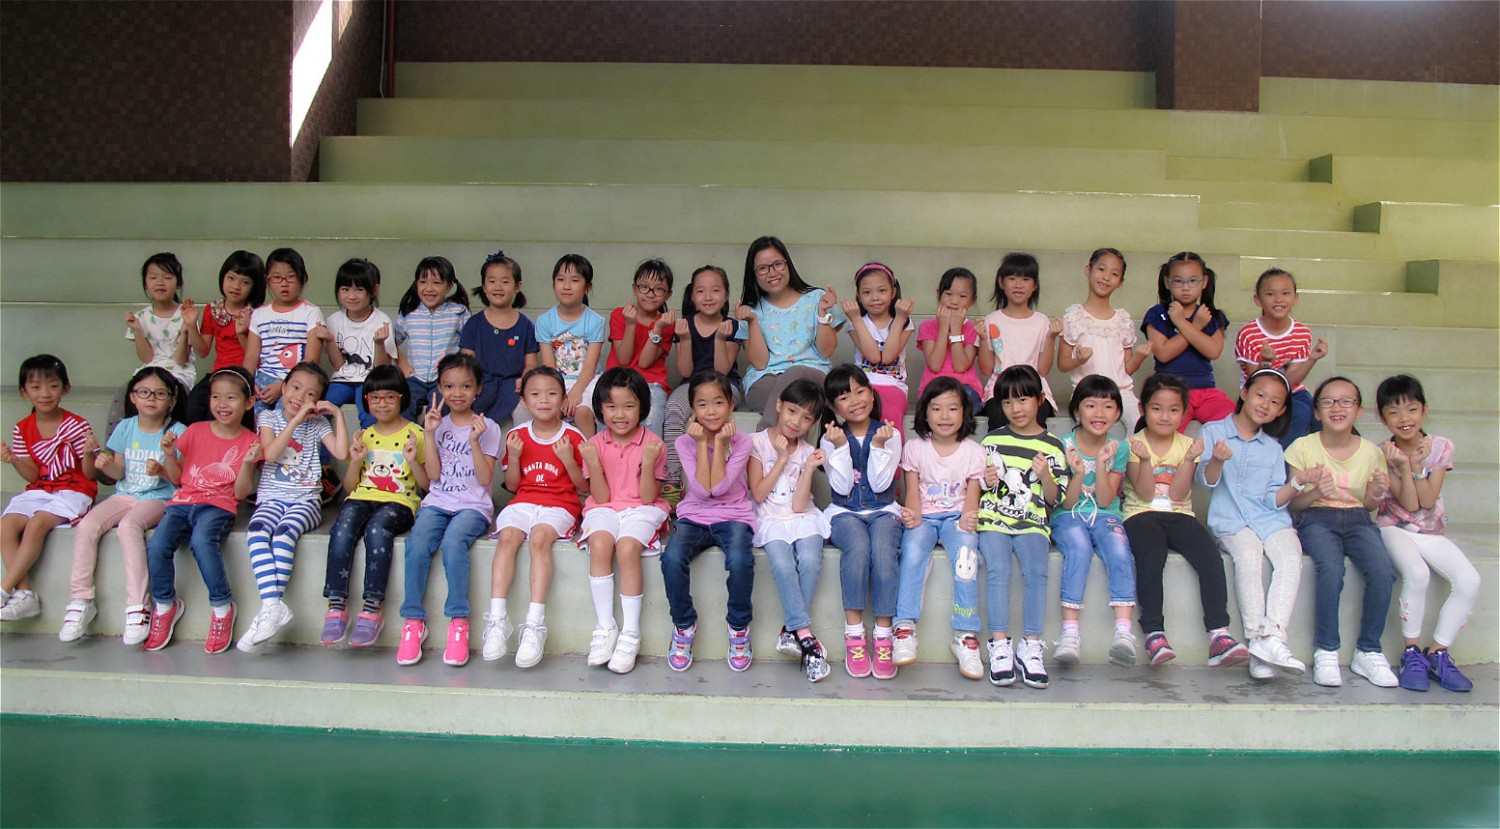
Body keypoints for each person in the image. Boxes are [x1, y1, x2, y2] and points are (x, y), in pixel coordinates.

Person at [1122, 373, 1247, 668]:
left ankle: (1219, 634)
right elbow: (1145, 493)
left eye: (1174, 409)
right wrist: (1145, 460)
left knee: (1210, 558)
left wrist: (1191, 459)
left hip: (1179, 514)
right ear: (1142, 408)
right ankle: (1154, 633)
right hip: (1140, 515)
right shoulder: (1132, 444)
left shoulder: (1187, 444)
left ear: (1184, 411)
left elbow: (1178, 495)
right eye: (1157, 408)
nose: (1165, 416)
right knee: (1151, 559)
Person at [1196, 368, 1314, 680]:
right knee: (1248, 557)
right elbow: (1206, 482)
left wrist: (1298, 482)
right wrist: (1217, 460)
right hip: (1231, 521)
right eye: (1260, 395)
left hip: (1270, 519)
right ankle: (1256, 638)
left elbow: (1275, 499)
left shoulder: (1273, 448)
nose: (1265, 404)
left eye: (1275, 402)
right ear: (1245, 392)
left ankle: (1272, 637)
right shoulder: (1213, 431)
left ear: (1281, 410)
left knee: (1290, 558)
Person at [1286, 377, 1398, 688]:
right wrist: (1315, 492)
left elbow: (1370, 504)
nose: (1337, 407)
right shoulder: (1302, 447)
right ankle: (1326, 649)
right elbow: (1294, 505)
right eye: (1328, 401)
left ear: (1359, 411)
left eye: (1346, 401)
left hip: (1359, 518)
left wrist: (1376, 493)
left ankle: (1368, 651)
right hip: (1315, 518)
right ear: (1316, 412)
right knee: (1331, 569)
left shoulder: (1371, 453)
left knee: (1383, 571)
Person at [61, 367, 186, 644]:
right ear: (133, 397)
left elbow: (181, 479)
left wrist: (162, 470)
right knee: (88, 525)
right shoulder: (125, 427)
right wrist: (105, 464)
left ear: (172, 400)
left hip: (159, 497)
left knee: (129, 527)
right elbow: (119, 473)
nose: (151, 398)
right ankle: (81, 600)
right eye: (144, 392)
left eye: (160, 393)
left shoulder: (178, 432)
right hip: (125, 494)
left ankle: (138, 605)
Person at [141, 367, 261, 653]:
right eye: (216, 397)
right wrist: (168, 455)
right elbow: (178, 478)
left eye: (231, 397)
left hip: (218, 506)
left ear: (248, 403)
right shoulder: (194, 431)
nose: (222, 404)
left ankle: (222, 607)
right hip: (182, 503)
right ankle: (165, 605)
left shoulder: (251, 441)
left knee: (202, 541)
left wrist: (247, 463)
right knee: (157, 544)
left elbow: (240, 493)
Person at [1374, 374, 1479, 692]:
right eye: (1393, 412)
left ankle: (1438, 653)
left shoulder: (1442, 446)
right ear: (1381, 417)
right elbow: (1409, 502)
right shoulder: (1381, 453)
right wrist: (1406, 467)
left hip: (1432, 532)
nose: (1404, 418)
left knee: (1469, 580)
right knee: (1417, 574)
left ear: (1424, 410)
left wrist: (1418, 467)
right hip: (1394, 528)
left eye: (1411, 409)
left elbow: (1428, 500)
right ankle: (1411, 652)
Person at [396, 354, 502, 667]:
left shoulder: (489, 427)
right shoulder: (435, 425)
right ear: (440, 388)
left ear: (478, 388)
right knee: (417, 544)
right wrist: (428, 434)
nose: (458, 393)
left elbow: (485, 479)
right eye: (449, 386)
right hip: (438, 502)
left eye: (466, 386)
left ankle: (459, 621)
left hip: (473, 506)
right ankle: (413, 621)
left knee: (454, 542)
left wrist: (474, 441)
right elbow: (432, 479)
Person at [238, 362, 349, 653]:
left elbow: (341, 452)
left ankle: (270, 610)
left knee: (284, 535)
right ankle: (273, 605)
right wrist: (295, 421)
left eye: (310, 394)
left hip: (306, 500)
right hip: (270, 498)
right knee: (257, 532)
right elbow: (270, 454)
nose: (300, 396)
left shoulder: (319, 424)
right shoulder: (268, 417)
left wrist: (338, 414)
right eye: (295, 388)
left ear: (318, 400)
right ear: (283, 387)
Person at [485, 367, 587, 669]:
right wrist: (515, 457)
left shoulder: (573, 436)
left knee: (540, 538)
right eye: (535, 394)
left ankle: (535, 624)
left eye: (552, 393)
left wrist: (568, 459)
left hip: (560, 504)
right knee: (508, 537)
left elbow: (584, 487)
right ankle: (497, 619)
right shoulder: (516, 435)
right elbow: (512, 485)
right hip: (524, 501)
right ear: (524, 401)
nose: (544, 400)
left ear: (563, 399)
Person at [320, 365, 428, 648]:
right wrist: (355, 460)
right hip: (362, 496)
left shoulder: (416, 434)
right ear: (366, 400)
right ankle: (336, 605)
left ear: (402, 398)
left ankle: (372, 608)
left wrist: (413, 460)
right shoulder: (365, 435)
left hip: (400, 501)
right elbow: (350, 485)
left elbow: (426, 484)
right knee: (342, 527)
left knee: (377, 530)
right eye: (375, 397)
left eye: (390, 397)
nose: (382, 403)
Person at [660, 371, 756, 672]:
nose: (711, 411)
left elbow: (719, 488)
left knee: (740, 560)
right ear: (692, 410)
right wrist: (702, 444)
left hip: (734, 515)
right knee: (672, 557)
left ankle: (738, 628)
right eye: (702, 404)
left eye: (718, 402)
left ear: (731, 405)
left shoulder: (742, 442)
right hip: (695, 515)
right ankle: (684, 624)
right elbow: (702, 491)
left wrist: (720, 443)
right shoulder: (685, 442)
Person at [576, 367, 670, 674]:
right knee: (601, 543)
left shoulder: (653, 443)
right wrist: (592, 462)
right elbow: (601, 497)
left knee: (627, 547)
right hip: (605, 505)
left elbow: (647, 497)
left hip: (641, 508)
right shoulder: (595, 443)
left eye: (629, 406)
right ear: (600, 409)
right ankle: (605, 627)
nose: (620, 415)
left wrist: (648, 461)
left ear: (643, 407)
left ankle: (630, 632)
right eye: (611, 406)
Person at [976, 365, 1066, 688]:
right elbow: (981, 486)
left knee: (1037, 572)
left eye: (1023, 400)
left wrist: (1045, 476)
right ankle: (1000, 644)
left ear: (1040, 400)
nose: (1016, 408)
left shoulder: (1053, 445)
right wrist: (986, 481)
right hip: (994, 520)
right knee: (998, 569)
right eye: (1007, 402)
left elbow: (1055, 498)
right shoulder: (992, 440)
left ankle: (1031, 645)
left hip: (1032, 523)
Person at [891, 377, 986, 679]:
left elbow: (972, 496)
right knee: (912, 550)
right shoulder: (915, 448)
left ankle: (965, 634)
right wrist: (912, 516)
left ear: (965, 412)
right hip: (926, 517)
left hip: (956, 516)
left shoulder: (974, 451)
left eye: (953, 408)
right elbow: (912, 492)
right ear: (925, 413)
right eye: (936, 408)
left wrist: (969, 518)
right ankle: (904, 627)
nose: (945, 416)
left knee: (966, 555)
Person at [0, 355, 99, 623]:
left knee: (37, 523)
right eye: (35, 387)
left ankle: (4, 589)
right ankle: (25, 594)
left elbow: (90, 474)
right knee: (5, 525)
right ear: (24, 391)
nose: (45, 394)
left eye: (53, 386)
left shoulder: (77, 425)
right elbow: (32, 474)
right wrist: (14, 460)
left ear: (65, 388)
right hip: (41, 488)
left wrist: (89, 454)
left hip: (75, 489)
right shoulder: (21, 429)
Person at [821, 365, 903, 680]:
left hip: (883, 509)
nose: (855, 401)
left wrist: (879, 447)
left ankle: (883, 634)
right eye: (844, 397)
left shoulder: (890, 434)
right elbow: (842, 488)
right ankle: (854, 632)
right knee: (857, 547)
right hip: (844, 511)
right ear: (833, 407)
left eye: (860, 391)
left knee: (883, 549)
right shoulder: (830, 438)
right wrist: (840, 448)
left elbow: (881, 485)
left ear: (871, 392)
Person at [1050, 374, 1138, 667]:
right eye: (1090, 405)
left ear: (1118, 412)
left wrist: (1101, 464)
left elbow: (1105, 500)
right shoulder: (1062, 446)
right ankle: (1070, 633)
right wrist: (1078, 473)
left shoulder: (1119, 448)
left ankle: (1123, 632)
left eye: (1108, 406)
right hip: (1068, 515)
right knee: (1078, 548)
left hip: (1105, 514)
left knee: (1118, 548)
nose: (1099, 413)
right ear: (1077, 410)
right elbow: (1067, 502)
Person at [750, 379, 832, 683]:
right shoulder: (757, 443)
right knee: (784, 564)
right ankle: (805, 634)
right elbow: (759, 493)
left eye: (806, 418)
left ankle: (791, 631)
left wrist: (808, 467)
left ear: (813, 423)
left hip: (802, 516)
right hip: (770, 517)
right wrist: (782, 458)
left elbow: (799, 506)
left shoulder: (808, 450)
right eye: (792, 411)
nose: (796, 421)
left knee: (810, 559)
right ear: (779, 405)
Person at [737, 236, 846, 430]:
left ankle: (765, 434)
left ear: (787, 264)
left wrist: (822, 313)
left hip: (812, 375)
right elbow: (760, 363)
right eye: (762, 268)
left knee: (795, 375)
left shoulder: (817, 298)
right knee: (798, 400)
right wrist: (752, 322)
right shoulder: (749, 310)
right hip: (766, 381)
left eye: (777, 264)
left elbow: (827, 351)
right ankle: (794, 447)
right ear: (753, 273)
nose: (772, 273)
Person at [663, 265, 745, 500]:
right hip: (692, 385)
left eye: (715, 290)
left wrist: (720, 338)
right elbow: (685, 370)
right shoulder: (684, 324)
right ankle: (672, 481)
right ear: (692, 296)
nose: (708, 297)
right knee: (674, 408)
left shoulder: (733, 326)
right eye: (700, 291)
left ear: (726, 294)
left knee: (714, 402)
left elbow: (722, 371)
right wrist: (685, 338)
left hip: (725, 385)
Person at [1057, 248, 1151, 431]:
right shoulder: (1074, 317)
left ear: (1120, 282)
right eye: (1101, 269)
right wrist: (1079, 360)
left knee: (1140, 424)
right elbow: (1062, 364)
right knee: (1087, 431)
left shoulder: (1123, 320)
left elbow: (1127, 369)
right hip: (1087, 392)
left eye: (1114, 274)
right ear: (1088, 270)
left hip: (1121, 393)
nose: (1106, 277)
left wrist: (1139, 357)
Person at [1234, 268, 1328, 447]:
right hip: (1260, 393)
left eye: (1285, 293)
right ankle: (1283, 460)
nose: (1278, 299)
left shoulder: (1302, 333)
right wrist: (1266, 363)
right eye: (1270, 294)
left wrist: (1312, 359)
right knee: (1300, 412)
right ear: (1258, 300)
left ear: (1295, 298)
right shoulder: (1249, 334)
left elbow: (1292, 380)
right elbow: (1255, 383)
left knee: (1321, 411)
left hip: (1292, 390)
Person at [108, 253, 200, 435]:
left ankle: (176, 441)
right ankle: (119, 443)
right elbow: (147, 358)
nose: (160, 283)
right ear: (145, 284)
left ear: (178, 283)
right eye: (153, 277)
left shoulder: (187, 315)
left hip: (178, 373)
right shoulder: (141, 316)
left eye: (167, 277)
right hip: (150, 370)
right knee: (125, 392)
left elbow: (180, 360)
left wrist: (184, 330)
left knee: (171, 393)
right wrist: (137, 330)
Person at [1140, 252, 1234, 430]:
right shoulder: (1158, 313)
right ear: (1167, 282)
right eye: (1178, 281)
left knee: (1232, 421)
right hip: (1169, 389)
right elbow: (1163, 353)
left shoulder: (1210, 315)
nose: (1185, 287)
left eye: (1193, 281)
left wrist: (1183, 323)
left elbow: (1213, 351)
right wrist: (1193, 325)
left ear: (1204, 282)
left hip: (1206, 390)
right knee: (1165, 427)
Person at [979, 253, 1060, 427]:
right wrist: (983, 339)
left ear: (1035, 285)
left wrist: (1051, 338)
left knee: (1035, 417)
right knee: (999, 417)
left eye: (1025, 279)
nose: (1018, 285)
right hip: (1000, 388)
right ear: (1001, 282)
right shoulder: (992, 320)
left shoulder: (1041, 321)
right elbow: (986, 369)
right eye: (1012, 278)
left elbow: (1043, 370)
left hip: (1033, 388)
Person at [186, 251, 267, 423]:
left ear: (254, 286)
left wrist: (241, 333)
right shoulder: (212, 309)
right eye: (231, 278)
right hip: (218, 373)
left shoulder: (258, 313)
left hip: (244, 374)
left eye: (245, 282)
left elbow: (255, 355)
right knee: (194, 404)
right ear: (223, 277)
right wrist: (191, 325)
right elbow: (203, 351)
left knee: (219, 412)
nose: (236, 286)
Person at [459, 250, 536, 428]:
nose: (498, 287)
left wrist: (524, 379)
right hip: (480, 382)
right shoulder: (474, 324)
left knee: (524, 409)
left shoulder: (525, 325)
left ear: (517, 286)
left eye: (505, 281)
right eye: (492, 281)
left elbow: (531, 363)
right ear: (484, 286)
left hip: (513, 384)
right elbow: (466, 361)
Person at [600, 259, 675, 437]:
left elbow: (645, 362)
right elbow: (623, 359)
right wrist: (631, 325)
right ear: (635, 288)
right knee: (604, 413)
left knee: (653, 414)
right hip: (616, 380)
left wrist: (657, 328)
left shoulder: (666, 323)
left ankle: (651, 454)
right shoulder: (619, 315)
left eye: (659, 289)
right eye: (644, 287)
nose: (650, 294)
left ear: (668, 294)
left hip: (651, 383)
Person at [534, 253, 606, 437]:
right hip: (556, 381)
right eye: (560, 279)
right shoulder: (544, 321)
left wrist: (575, 392)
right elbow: (549, 366)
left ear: (587, 287)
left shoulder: (595, 321)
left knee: (582, 413)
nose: (566, 286)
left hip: (588, 381)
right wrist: (561, 394)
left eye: (574, 280)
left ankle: (590, 451)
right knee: (550, 413)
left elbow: (589, 367)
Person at [320, 258, 397, 429]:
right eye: (345, 289)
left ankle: (368, 447)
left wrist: (379, 343)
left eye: (359, 289)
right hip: (341, 381)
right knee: (321, 411)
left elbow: (381, 369)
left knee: (369, 414)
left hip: (370, 381)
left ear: (373, 290)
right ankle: (320, 448)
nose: (352, 296)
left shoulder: (382, 321)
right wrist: (330, 340)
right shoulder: (333, 320)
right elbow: (339, 366)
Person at [245, 247, 324, 413]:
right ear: (267, 280)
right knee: (260, 418)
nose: (284, 283)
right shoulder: (259, 314)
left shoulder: (311, 312)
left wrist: (283, 385)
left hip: (298, 382)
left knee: (287, 416)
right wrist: (249, 383)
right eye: (276, 277)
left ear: (303, 279)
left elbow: (311, 360)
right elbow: (251, 357)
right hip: (263, 381)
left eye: (291, 277)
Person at [393, 255, 470, 422]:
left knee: (441, 404)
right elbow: (392, 341)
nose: (429, 288)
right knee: (403, 402)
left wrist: (456, 366)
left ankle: (432, 437)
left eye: (436, 283)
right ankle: (410, 437)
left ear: (449, 286)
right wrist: (402, 363)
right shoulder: (409, 312)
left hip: (444, 379)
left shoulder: (458, 312)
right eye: (423, 282)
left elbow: (469, 345)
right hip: (415, 378)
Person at [839, 262, 914, 433]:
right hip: (862, 385)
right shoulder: (856, 323)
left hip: (894, 385)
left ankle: (892, 450)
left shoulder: (904, 323)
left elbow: (887, 357)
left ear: (893, 292)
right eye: (866, 292)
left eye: (882, 291)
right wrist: (856, 319)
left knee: (890, 413)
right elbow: (873, 356)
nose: (874, 297)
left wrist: (900, 318)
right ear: (858, 296)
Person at [916, 267, 985, 411]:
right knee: (938, 402)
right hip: (934, 386)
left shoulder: (973, 328)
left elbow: (960, 366)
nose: (954, 301)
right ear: (938, 294)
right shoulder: (927, 326)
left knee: (960, 401)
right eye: (948, 294)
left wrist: (955, 329)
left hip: (966, 388)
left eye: (962, 296)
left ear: (973, 300)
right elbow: (935, 365)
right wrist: (943, 328)